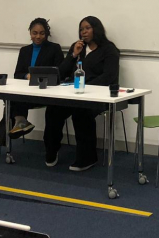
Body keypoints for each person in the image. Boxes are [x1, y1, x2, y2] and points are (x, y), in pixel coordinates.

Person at [0, 17, 64, 162]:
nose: (38, 36)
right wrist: (27, 75)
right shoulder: (24, 50)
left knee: (11, 105)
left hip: (46, 94)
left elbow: (60, 73)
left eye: (42, 33)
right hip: (27, 93)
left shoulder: (54, 48)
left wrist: (40, 77)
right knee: (12, 101)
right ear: (30, 33)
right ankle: (19, 122)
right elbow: (17, 74)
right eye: (34, 33)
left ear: (47, 34)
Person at [42, 16, 120, 171]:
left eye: (87, 28)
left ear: (96, 29)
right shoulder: (77, 47)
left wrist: (86, 87)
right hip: (72, 93)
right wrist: (73, 55)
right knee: (53, 110)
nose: (83, 32)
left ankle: (87, 157)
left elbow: (109, 76)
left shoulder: (109, 49)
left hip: (97, 95)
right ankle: (51, 150)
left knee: (81, 112)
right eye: (81, 29)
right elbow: (62, 71)